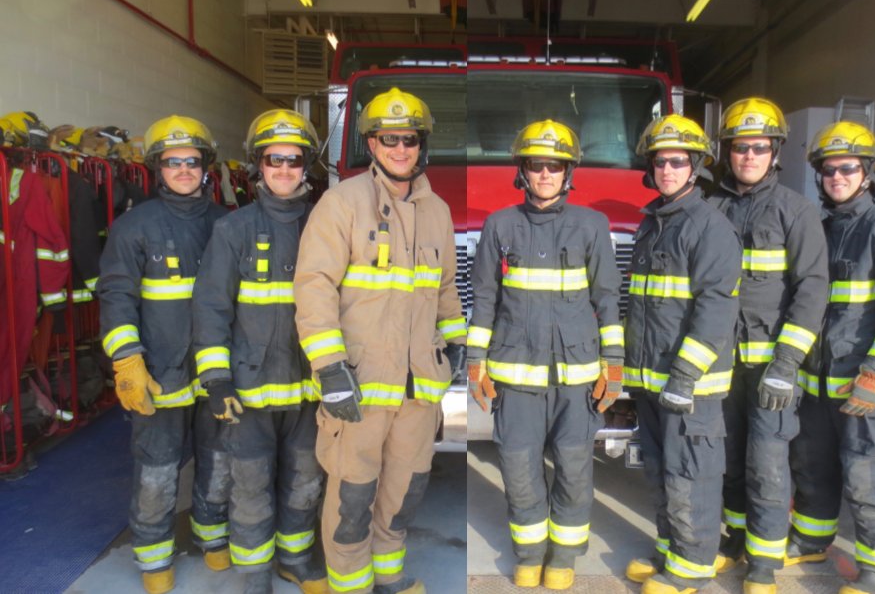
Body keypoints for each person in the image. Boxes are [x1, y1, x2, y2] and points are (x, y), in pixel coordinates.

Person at [293, 87, 466, 594]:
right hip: (360, 387)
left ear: (422, 144)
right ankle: (350, 586)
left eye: (409, 139)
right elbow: (314, 286)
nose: (400, 149)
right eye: (388, 139)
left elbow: (446, 287)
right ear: (371, 144)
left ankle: (387, 578)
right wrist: (329, 369)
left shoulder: (438, 210)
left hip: (418, 389)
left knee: (404, 491)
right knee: (352, 497)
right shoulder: (341, 202)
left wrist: (453, 345)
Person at [467, 120, 623, 590]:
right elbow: (485, 299)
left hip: (576, 376)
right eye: (536, 165)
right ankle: (530, 552)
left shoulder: (592, 226)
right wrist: (475, 364)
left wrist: (613, 365)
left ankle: (565, 556)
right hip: (516, 376)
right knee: (517, 463)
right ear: (523, 171)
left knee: (575, 466)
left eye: (555, 165)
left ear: (568, 172)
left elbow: (608, 299)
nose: (545, 174)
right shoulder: (500, 226)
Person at [787, 121, 875, 594]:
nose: (837, 177)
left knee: (867, 478)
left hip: (866, 387)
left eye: (847, 168)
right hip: (818, 382)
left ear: (867, 172)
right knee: (811, 466)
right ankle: (810, 539)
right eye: (828, 170)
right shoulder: (819, 231)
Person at [192, 110, 327, 594]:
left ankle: (294, 559)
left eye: (294, 160)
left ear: (307, 165)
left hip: (310, 387)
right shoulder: (233, 230)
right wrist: (217, 379)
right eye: (275, 159)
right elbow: (210, 307)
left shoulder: (326, 224)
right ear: (257, 165)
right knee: (249, 484)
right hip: (247, 390)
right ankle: (253, 574)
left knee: (305, 479)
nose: (285, 169)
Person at [97, 116, 230, 594]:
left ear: (205, 167)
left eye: (192, 161)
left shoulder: (225, 224)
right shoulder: (133, 227)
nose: (183, 169)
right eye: (173, 162)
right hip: (159, 372)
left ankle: (213, 536)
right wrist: (127, 360)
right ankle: (154, 555)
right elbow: (116, 296)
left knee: (218, 461)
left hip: (215, 371)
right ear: (158, 167)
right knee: (156, 467)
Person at [706, 98, 828, 594]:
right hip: (720, 365)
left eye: (759, 147)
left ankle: (762, 562)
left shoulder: (795, 211)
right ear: (727, 152)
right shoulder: (710, 208)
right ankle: (735, 539)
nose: (749, 156)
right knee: (729, 458)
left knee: (767, 463)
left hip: (771, 368)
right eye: (740, 147)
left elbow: (812, 289)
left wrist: (786, 362)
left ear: (775, 152)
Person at [622, 114, 741, 594]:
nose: (668, 168)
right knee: (661, 468)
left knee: (692, 472)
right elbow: (642, 307)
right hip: (652, 380)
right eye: (660, 160)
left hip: (690, 384)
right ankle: (671, 550)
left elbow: (716, 308)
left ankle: (693, 567)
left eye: (678, 160)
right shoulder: (654, 222)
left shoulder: (708, 226)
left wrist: (686, 374)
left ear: (695, 166)